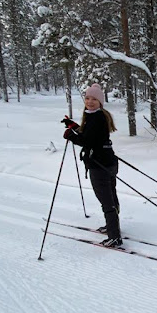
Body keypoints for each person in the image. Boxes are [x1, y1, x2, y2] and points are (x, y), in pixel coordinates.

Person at [62, 83, 122, 247]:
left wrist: (71, 136)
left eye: (94, 99)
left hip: (100, 166)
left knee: (106, 201)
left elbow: (87, 141)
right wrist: (74, 126)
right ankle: (113, 227)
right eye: (87, 98)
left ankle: (115, 236)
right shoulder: (96, 115)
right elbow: (89, 135)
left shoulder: (97, 117)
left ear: (100, 101)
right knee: (110, 197)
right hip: (107, 162)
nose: (90, 101)